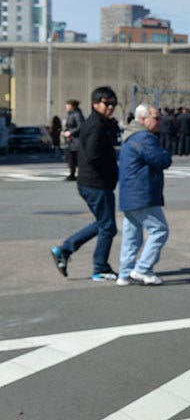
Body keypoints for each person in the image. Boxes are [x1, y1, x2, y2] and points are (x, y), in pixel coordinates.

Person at [51, 87, 121, 281]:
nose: (111, 107)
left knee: (103, 224)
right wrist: (110, 170)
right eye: (107, 103)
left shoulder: (100, 123)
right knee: (107, 227)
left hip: (94, 183)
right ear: (95, 104)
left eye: (114, 104)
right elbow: (92, 155)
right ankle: (100, 267)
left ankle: (64, 250)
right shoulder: (95, 126)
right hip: (95, 183)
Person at [116, 104, 172, 286]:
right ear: (143, 119)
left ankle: (124, 274)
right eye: (156, 118)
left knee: (132, 236)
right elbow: (161, 160)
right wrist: (166, 151)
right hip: (142, 193)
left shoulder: (129, 136)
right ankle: (143, 269)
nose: (159, 122)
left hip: (129, 193)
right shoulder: (144, 138)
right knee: (160, 229)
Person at [62, 99, 85, 181]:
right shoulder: (71, 114)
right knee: (71, 158)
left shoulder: (77, 114)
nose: (66, 107)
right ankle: (72, 173)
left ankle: (75, 174)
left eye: (68, 106)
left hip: (76, 140)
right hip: (72, 140)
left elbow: (81, 126)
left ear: (73, 106)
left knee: (75, 157)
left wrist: (70, 132)